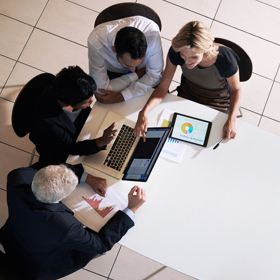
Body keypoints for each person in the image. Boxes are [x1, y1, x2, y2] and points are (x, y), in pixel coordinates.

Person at [0, 162, 146, 280]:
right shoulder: (65, 226)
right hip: (37, 267)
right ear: (61, 197)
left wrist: (88, 178)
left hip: (11, 239)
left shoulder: (17, 176)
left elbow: (47, 166)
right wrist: (131, 210)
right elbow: (101, 244)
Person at [134, 21, 241, 141]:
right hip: (187, 96)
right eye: (183, 55)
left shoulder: (226, 60)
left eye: (193, 57)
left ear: (205, 50)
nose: (187, 62)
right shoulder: (175, 52)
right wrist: (143, 112)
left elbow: (236, 89)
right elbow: (163, 87)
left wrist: (232, 120)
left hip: (217, 102)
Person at [29, 66, 117, 163]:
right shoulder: (47, 119)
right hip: (55, 145)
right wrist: (101, 142)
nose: (91, 101)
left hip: (75, 127)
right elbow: (71, 148)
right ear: (68, 104)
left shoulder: (72, 85)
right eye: (86, 102)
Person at [87, 16, 164, 104]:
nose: (133, 69)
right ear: (114, 49)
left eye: (140, 62)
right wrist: (138, 74)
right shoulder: (96, 41)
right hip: (117, 72)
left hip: (142, 75)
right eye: (128, 65)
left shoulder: (152, 34)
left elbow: (155, 76)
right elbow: (101, 91)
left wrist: (122, 96)